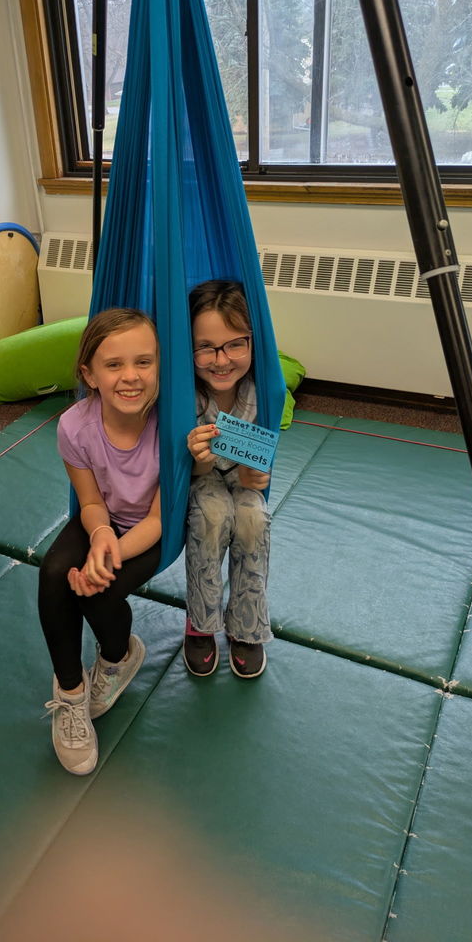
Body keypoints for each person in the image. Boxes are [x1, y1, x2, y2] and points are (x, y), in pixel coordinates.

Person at [38, 309, 161, 775]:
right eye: (113, 365)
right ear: (89, 374)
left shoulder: (171, 422)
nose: (130, 377)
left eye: (144, 362)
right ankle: (70, 693)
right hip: (104, 520)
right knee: (54, 574)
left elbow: (160, 518)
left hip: (153, 528)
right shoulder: (74, 426)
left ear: (159, 366)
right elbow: (90, 502)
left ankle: (117, 656)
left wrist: (107, 561)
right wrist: (101, 536)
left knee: (100, 589)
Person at [184, 280, 272, 679]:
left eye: (235, 344)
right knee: (211, 516)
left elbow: (257, 473)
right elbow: (192, 471)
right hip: (202, 479)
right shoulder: (188, 396)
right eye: (205, 347)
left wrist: (257, 476)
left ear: (253, 344)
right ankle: (201, 622)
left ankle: (246, 624)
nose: (221, 359)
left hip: (241, 482)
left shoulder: (261, 392)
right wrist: (198, 461)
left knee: (253, 520)